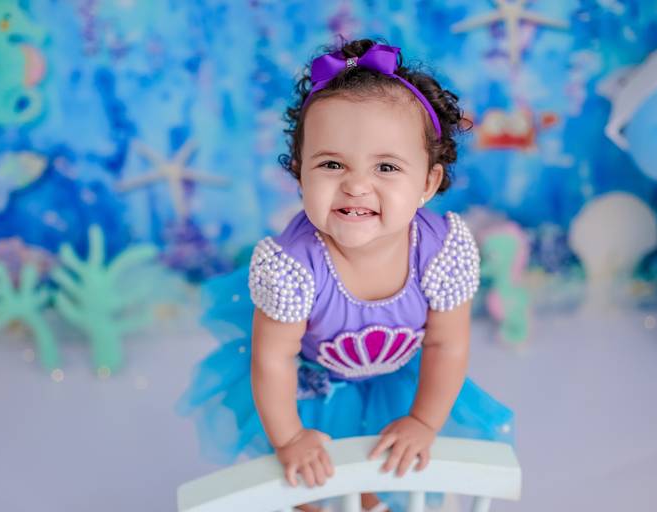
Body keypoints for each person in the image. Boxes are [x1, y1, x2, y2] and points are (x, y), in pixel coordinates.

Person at [178, 38, 514, 512]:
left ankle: (374, 502)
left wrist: (422, 421)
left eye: (386, 166)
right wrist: (290, 438)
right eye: (332, 164)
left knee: (385, 475)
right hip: (312, 385)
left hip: (398, 380)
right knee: (307, 481)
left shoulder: (441, 252)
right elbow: (274, 359)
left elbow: (446, 345)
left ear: (427, 182)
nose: (356, 185)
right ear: (300, 174)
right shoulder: (293, 267)